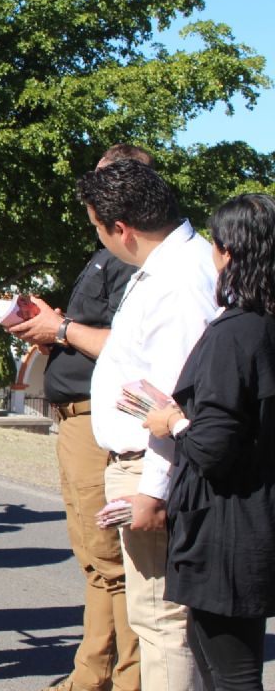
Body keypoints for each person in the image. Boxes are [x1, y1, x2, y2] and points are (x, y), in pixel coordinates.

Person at [9, 144, 146, 691]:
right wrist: (55, 324)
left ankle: (122, 679)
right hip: (74, 418)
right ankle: (91, 673)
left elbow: (127, 344)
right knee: (94, 560)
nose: (92, 201)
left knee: (115, 563)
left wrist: (59, 331)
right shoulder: (104, 254)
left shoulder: (132, 261)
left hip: (98, 417)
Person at [80, 159, 218, 691]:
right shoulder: (168, 269)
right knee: (157, 620)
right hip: (144, 464)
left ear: (122, 229)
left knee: (164, 623)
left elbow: (177, 399)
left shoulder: (180, 281)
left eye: (97, 227)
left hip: (155, 467)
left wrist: (154, 490)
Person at [142, 193, 275, 691]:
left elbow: (214, 447)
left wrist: (171, 423)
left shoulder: (235, 334)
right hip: (257, 517)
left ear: (229, 254)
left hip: (230, 527)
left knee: (233, 674)